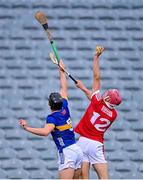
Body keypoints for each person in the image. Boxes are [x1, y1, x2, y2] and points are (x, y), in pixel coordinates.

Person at [19, 59, 83, 179]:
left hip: (67, 152)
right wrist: (61, 70)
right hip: (77, 150)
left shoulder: (52, 118)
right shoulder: (64, 106)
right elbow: (64, 87)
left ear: (49, 105)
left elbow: (45, 132)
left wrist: (26, 128)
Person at [74, 46, 122, 179]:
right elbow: (94, 99)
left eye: (107, 93)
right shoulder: (113, 114)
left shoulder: (97, 101)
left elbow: (96, 77)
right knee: (104, 178)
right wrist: (83, 88)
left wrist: (96, 57)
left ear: (106, 97)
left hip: (83, 142)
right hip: (96, 145)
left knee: (84, 178)